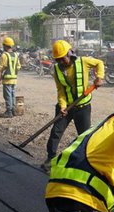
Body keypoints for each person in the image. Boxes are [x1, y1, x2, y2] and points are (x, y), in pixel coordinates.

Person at [42, 40, 105, 172]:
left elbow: (99, 63)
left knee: (83, 136)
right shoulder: (56, 69)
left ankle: (84, 163)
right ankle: (51, 159)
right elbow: (60, 90)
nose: (60, 62)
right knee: (56, 132)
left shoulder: (84, 62)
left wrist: (99, 77)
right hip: (66, 107)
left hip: (83, 106)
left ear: (70, 54)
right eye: (57, 59)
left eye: (62, 58)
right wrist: (63, 106)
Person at [0, 37, 21, 118]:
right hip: (14, 79)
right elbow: (18, 67)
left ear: (5, 46)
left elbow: (0, 68)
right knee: (12, 94)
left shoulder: (4, 55)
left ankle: (9, 112)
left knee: (7, 95)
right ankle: (13, 110)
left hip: (7, 79)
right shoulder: (16, 55)